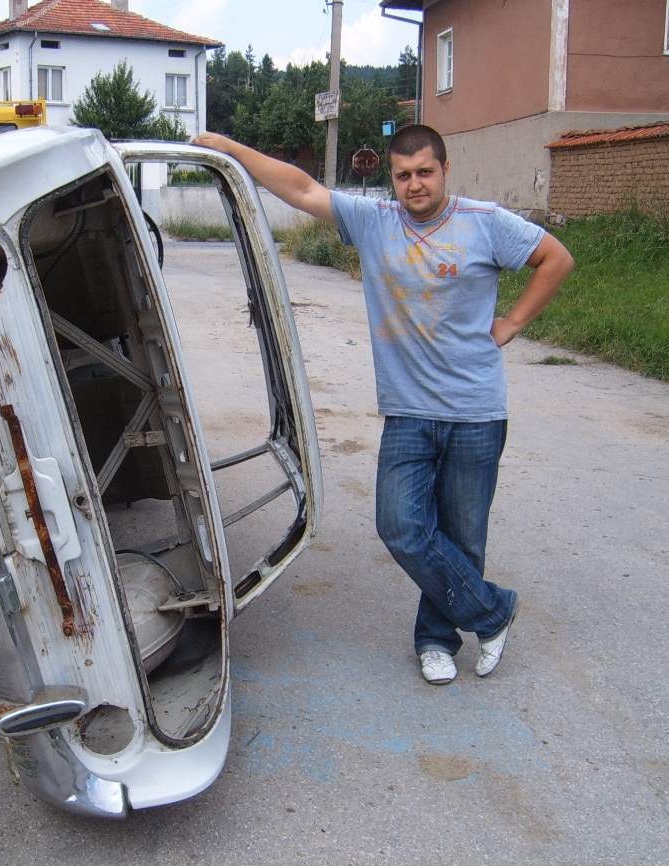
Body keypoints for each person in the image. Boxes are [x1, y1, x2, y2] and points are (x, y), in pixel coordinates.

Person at [193, 125, 573, 684]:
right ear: (391, 179)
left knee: (463, 536)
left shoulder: (485, 222)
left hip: (476, 412)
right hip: (408, 412)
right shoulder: (375, 222)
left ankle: (436, 640)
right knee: (400, 527)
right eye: (403, 175)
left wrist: (513, 323)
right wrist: (231, 149)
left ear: (445, 170)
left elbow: (555, 258)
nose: (415, 184)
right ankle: (493, 612)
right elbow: (301, 188)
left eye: (425, 172)